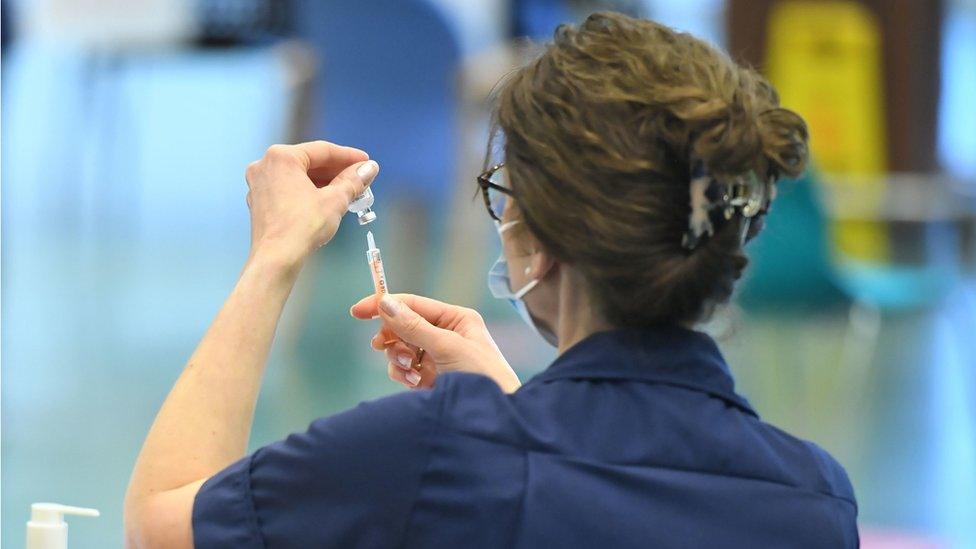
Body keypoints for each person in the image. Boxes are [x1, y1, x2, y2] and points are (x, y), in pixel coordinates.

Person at [124, 12, 857, 548]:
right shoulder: (816, 499)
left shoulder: (433, 454)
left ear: (537, 242)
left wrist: (274, 254)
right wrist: (512, 404)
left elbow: (161, 523)